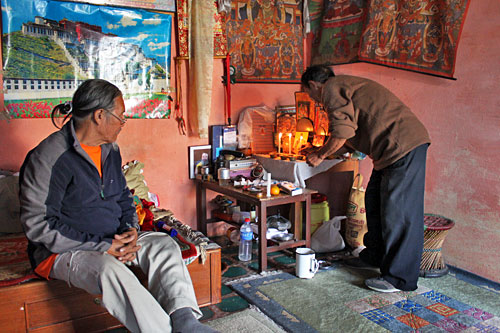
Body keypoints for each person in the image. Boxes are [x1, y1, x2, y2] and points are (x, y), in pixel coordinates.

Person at [19, 79, 217, 333]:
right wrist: (104, 246)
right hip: (61, 252)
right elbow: (40, 227)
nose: (124, 123)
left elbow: (124, 196)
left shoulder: (109, 149)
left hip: (112, 239)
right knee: (109, 270)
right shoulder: (48, 157)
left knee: (164, 245)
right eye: (121, 116)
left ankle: (185, 321)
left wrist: (130, 231)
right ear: (99, 116)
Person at [301, 65, 431, 293]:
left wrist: (320, 155)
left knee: (398, 213)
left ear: (313, 85)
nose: (313, 100)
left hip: (403, 147)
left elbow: (342, 132)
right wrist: (322, 149)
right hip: (389, 153)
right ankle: (374, 256)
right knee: (374, 203)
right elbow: (350, 134)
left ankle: (399, 278)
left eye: (309, 95)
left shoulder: (332, 87)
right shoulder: (346, 87)